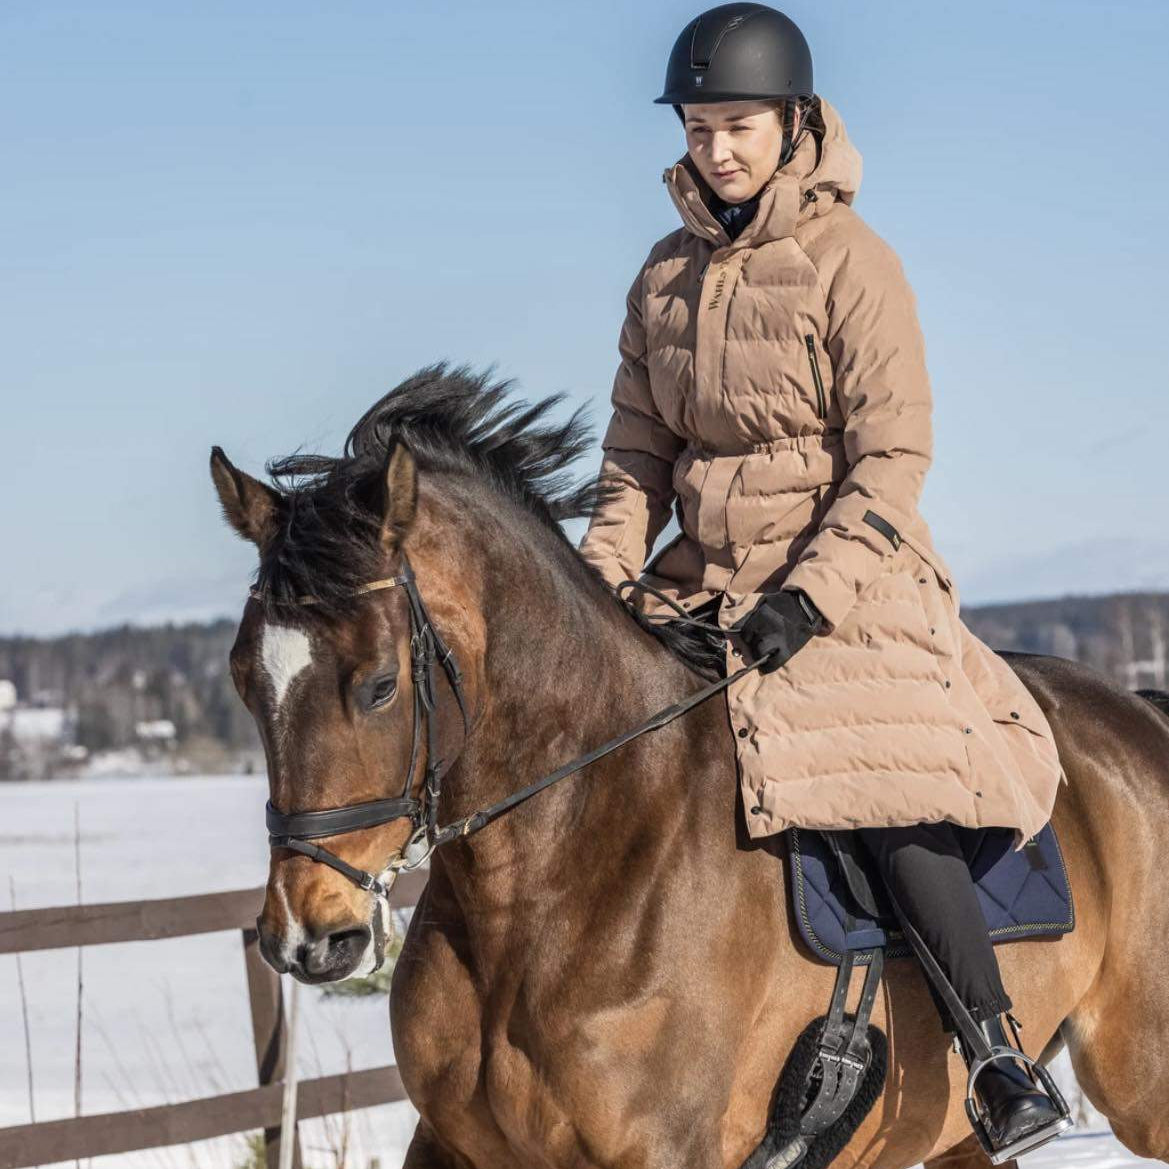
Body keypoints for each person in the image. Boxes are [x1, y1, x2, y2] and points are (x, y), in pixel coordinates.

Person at [577, 2, 1070, 1158]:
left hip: (842, 579)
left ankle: (996, 1056)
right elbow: (632, 460)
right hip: (697, 579)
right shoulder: (660, 278)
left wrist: (812, 593)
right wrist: (600, 581)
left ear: (791, 122)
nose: (717, 149)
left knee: (873, 773)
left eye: (737, 125)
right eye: (699, 128)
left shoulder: (855, 262)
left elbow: (890, 455)